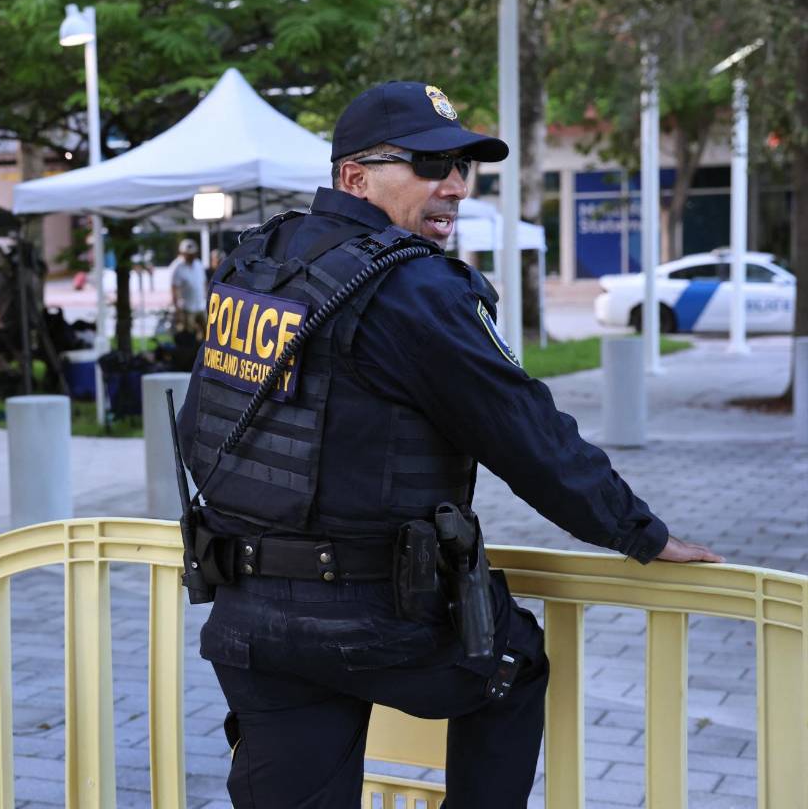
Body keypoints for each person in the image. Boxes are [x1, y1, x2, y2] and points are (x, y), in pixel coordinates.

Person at [176, 81, 722, 808]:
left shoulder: (258, 260)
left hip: (247, 619)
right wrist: (639, 532)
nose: (456, 187)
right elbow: (526, 432)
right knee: (512, 666)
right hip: (375, 620)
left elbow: (197, 423)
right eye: (431, 166)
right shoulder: (413, 287)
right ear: (354, 177)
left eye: (463, 167)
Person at [170, 238, 206, 339]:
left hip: (201, 305)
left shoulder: (198, 264)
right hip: (187, 308)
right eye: (189, 254)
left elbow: (203, 283)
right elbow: (174, 288)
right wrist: (177, 309)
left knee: (207, 333)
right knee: (190, 335)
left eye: (193, 254)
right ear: (182, 253)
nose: (191, 256)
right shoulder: (177, 267)